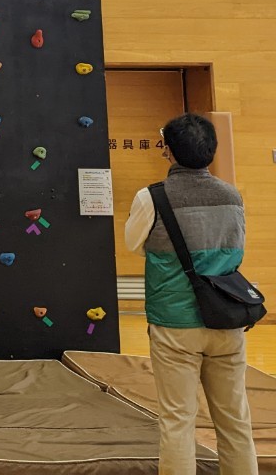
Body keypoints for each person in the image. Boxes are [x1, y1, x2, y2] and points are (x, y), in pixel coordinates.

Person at [125, 113, 258, 475]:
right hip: (227, 318)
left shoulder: (151, 197)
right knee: (235, 420)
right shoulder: (233, 195)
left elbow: (134, 244)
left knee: (177, 422)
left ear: (167, 151)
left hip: (174, 323)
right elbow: (236, 248)